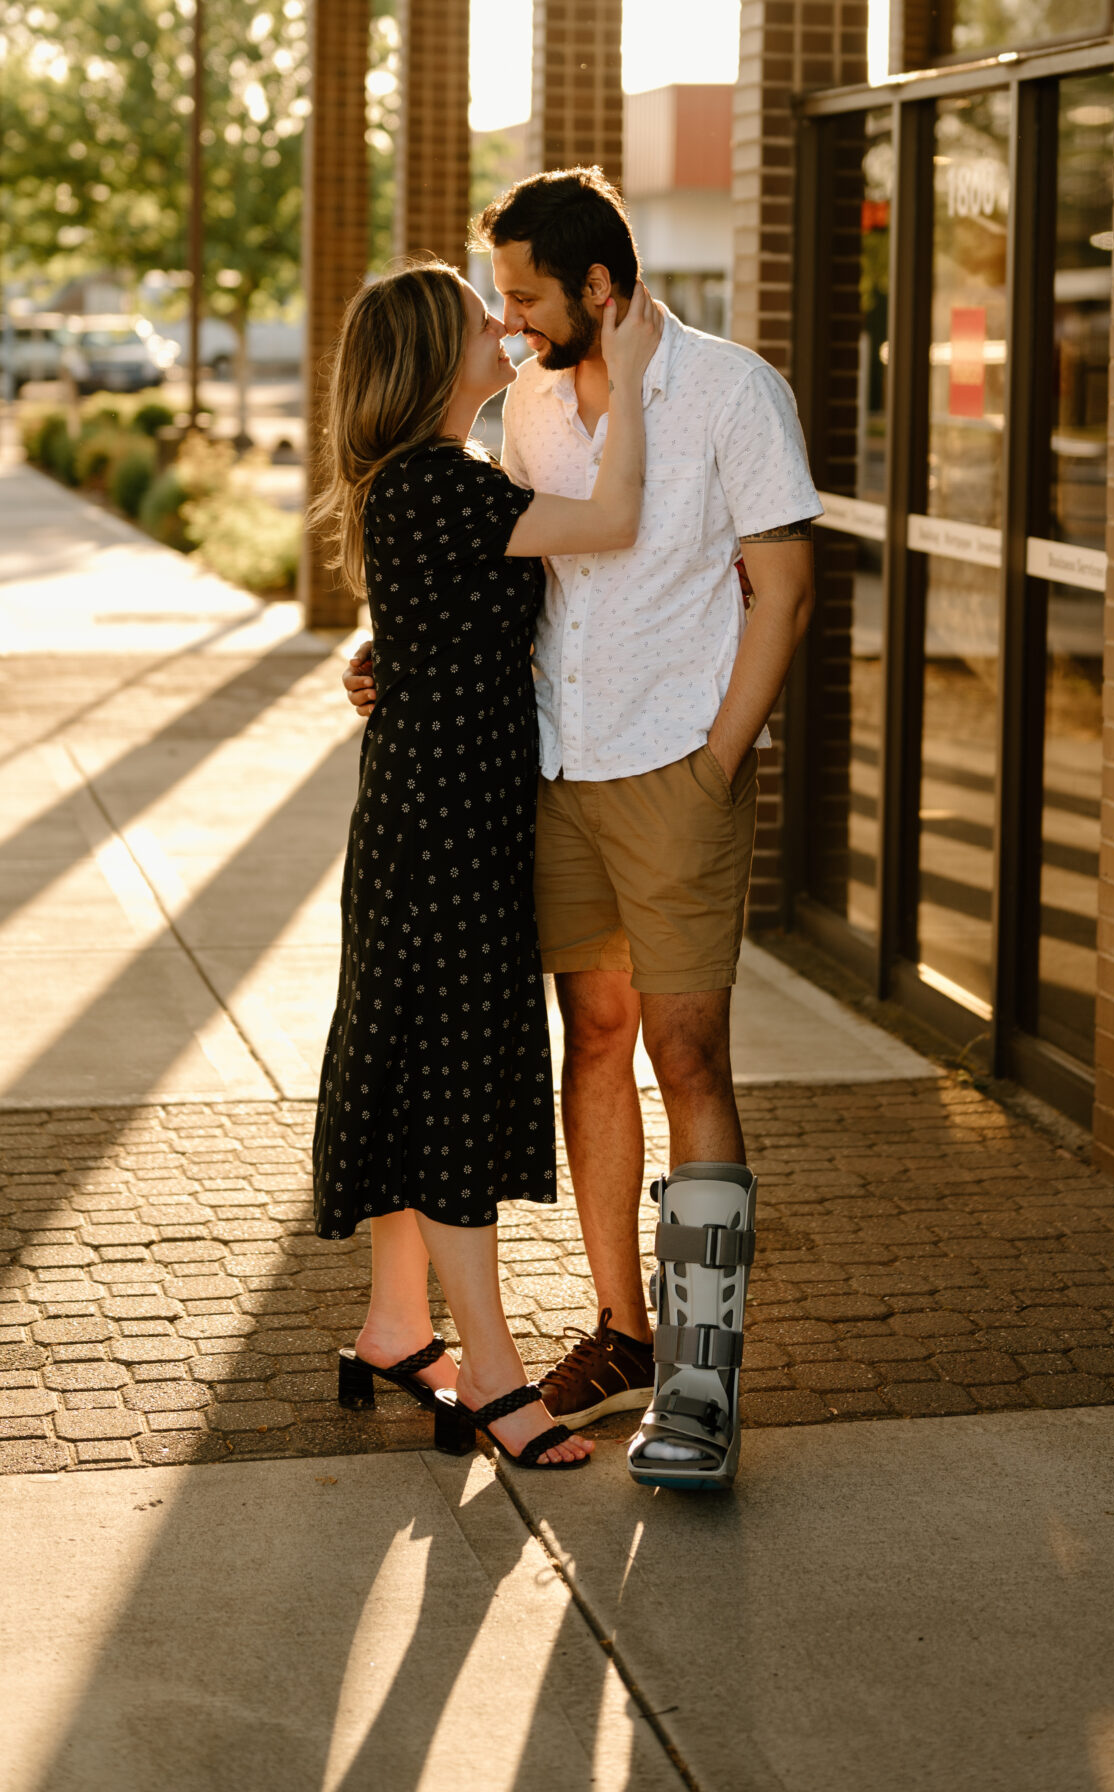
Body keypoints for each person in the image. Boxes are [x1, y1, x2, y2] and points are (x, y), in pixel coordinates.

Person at [346, 170, 820, 1490]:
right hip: (551, 771)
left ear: (595, 290)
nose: (504, 324)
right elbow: (487, 564)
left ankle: (701, 1379)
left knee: (687, 1051)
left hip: (676, 768)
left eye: (522, 296)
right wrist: (385, 649)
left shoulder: (732, 391)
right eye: (493, 301)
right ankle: (619, 1329)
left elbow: (782, 589)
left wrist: (718, 757)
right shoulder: (529, 410)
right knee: (594, 1040)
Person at [313, 255, 662, 1472]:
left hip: (436, 814)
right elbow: (613, 519)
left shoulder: (432, 486)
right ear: (430, 360)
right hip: (443, 831)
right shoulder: (440, 488)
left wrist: (374, 656)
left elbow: (437, 626)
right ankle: (497, 1378)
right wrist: (627, 366)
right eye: (481, 320)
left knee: (420, 1072)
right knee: (451, 1088)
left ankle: (397, 1327)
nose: (504, 329)